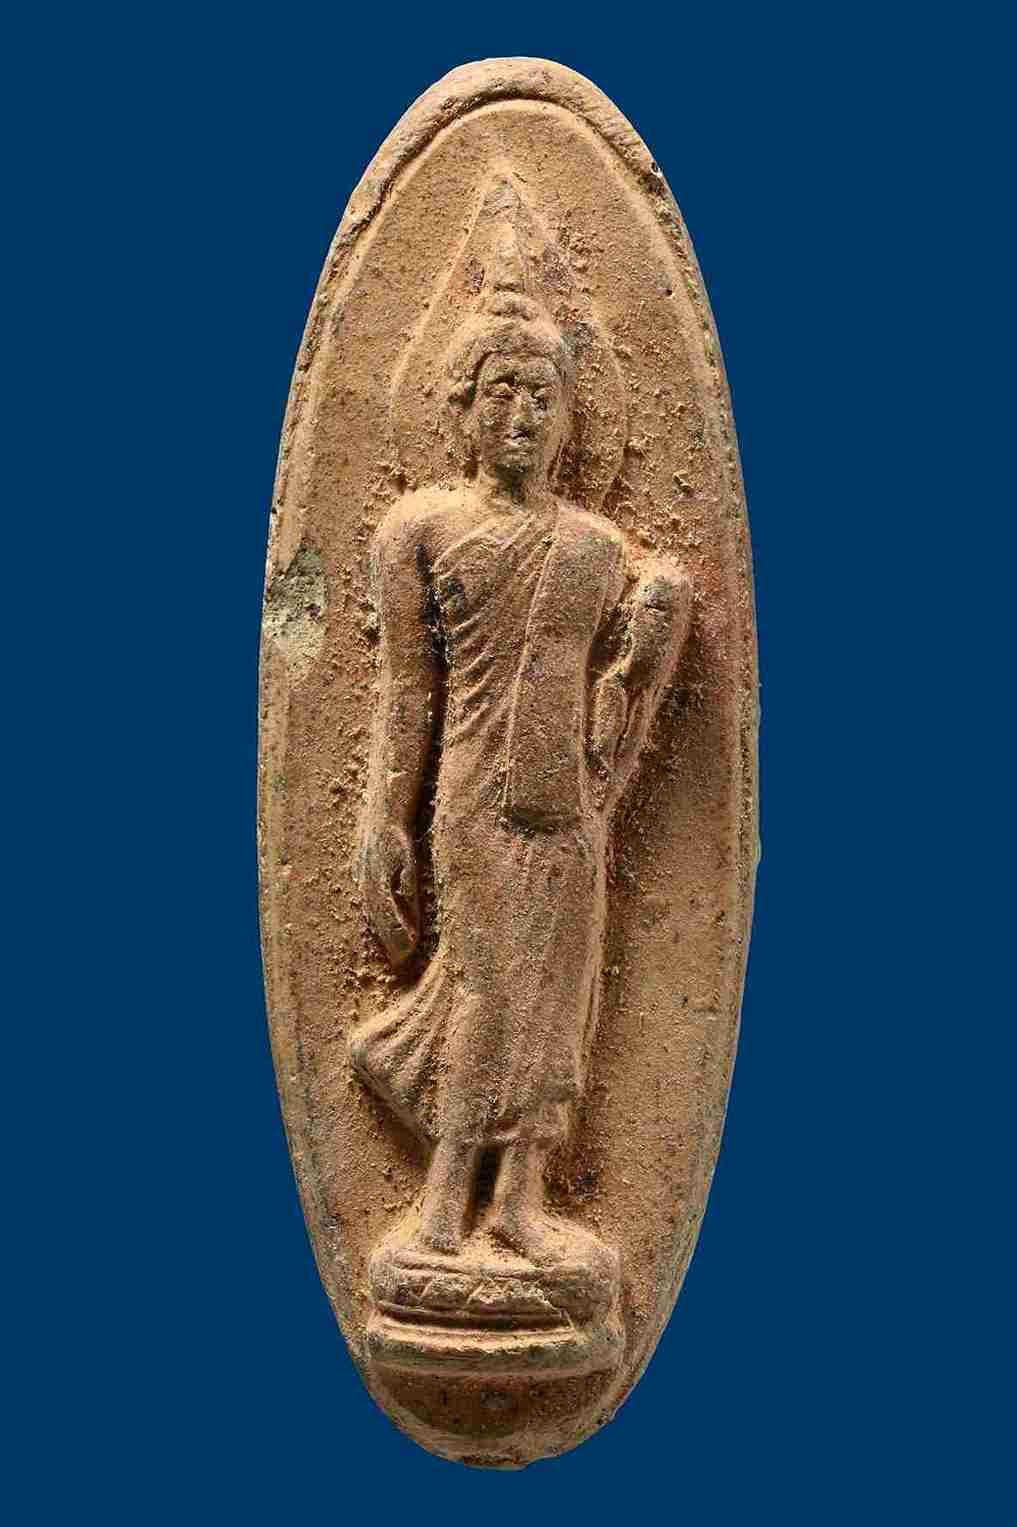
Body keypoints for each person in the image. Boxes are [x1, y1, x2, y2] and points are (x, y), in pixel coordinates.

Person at [351, 231, 692, 1270]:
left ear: (571, 417)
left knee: (559, 996)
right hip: (473, 796)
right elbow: (407, 689)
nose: (522, 415)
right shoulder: (418, 529)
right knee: (490, 987)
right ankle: (441, 1204)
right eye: (500, 392)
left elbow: (616, 697)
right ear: (458, 407)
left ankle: (518, 1201)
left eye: (543, 396)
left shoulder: (597, 546)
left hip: (565, 807)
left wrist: (649, 639)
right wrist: (382, 820)